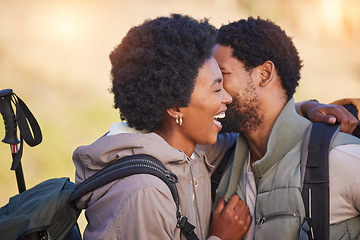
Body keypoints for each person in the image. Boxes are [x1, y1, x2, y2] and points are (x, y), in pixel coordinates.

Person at [73, 14, 252, 240]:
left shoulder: (191, 151)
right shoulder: (144, 194)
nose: (228, 98)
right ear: (176, 107)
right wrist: (222, 237)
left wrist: (294, 110)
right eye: (216, 90)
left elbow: (250, 135)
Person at [212, 17, 360, 239]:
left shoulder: (338, 157)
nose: (216, 91)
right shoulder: (223, 159)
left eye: (222, 76)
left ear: (265, 74)